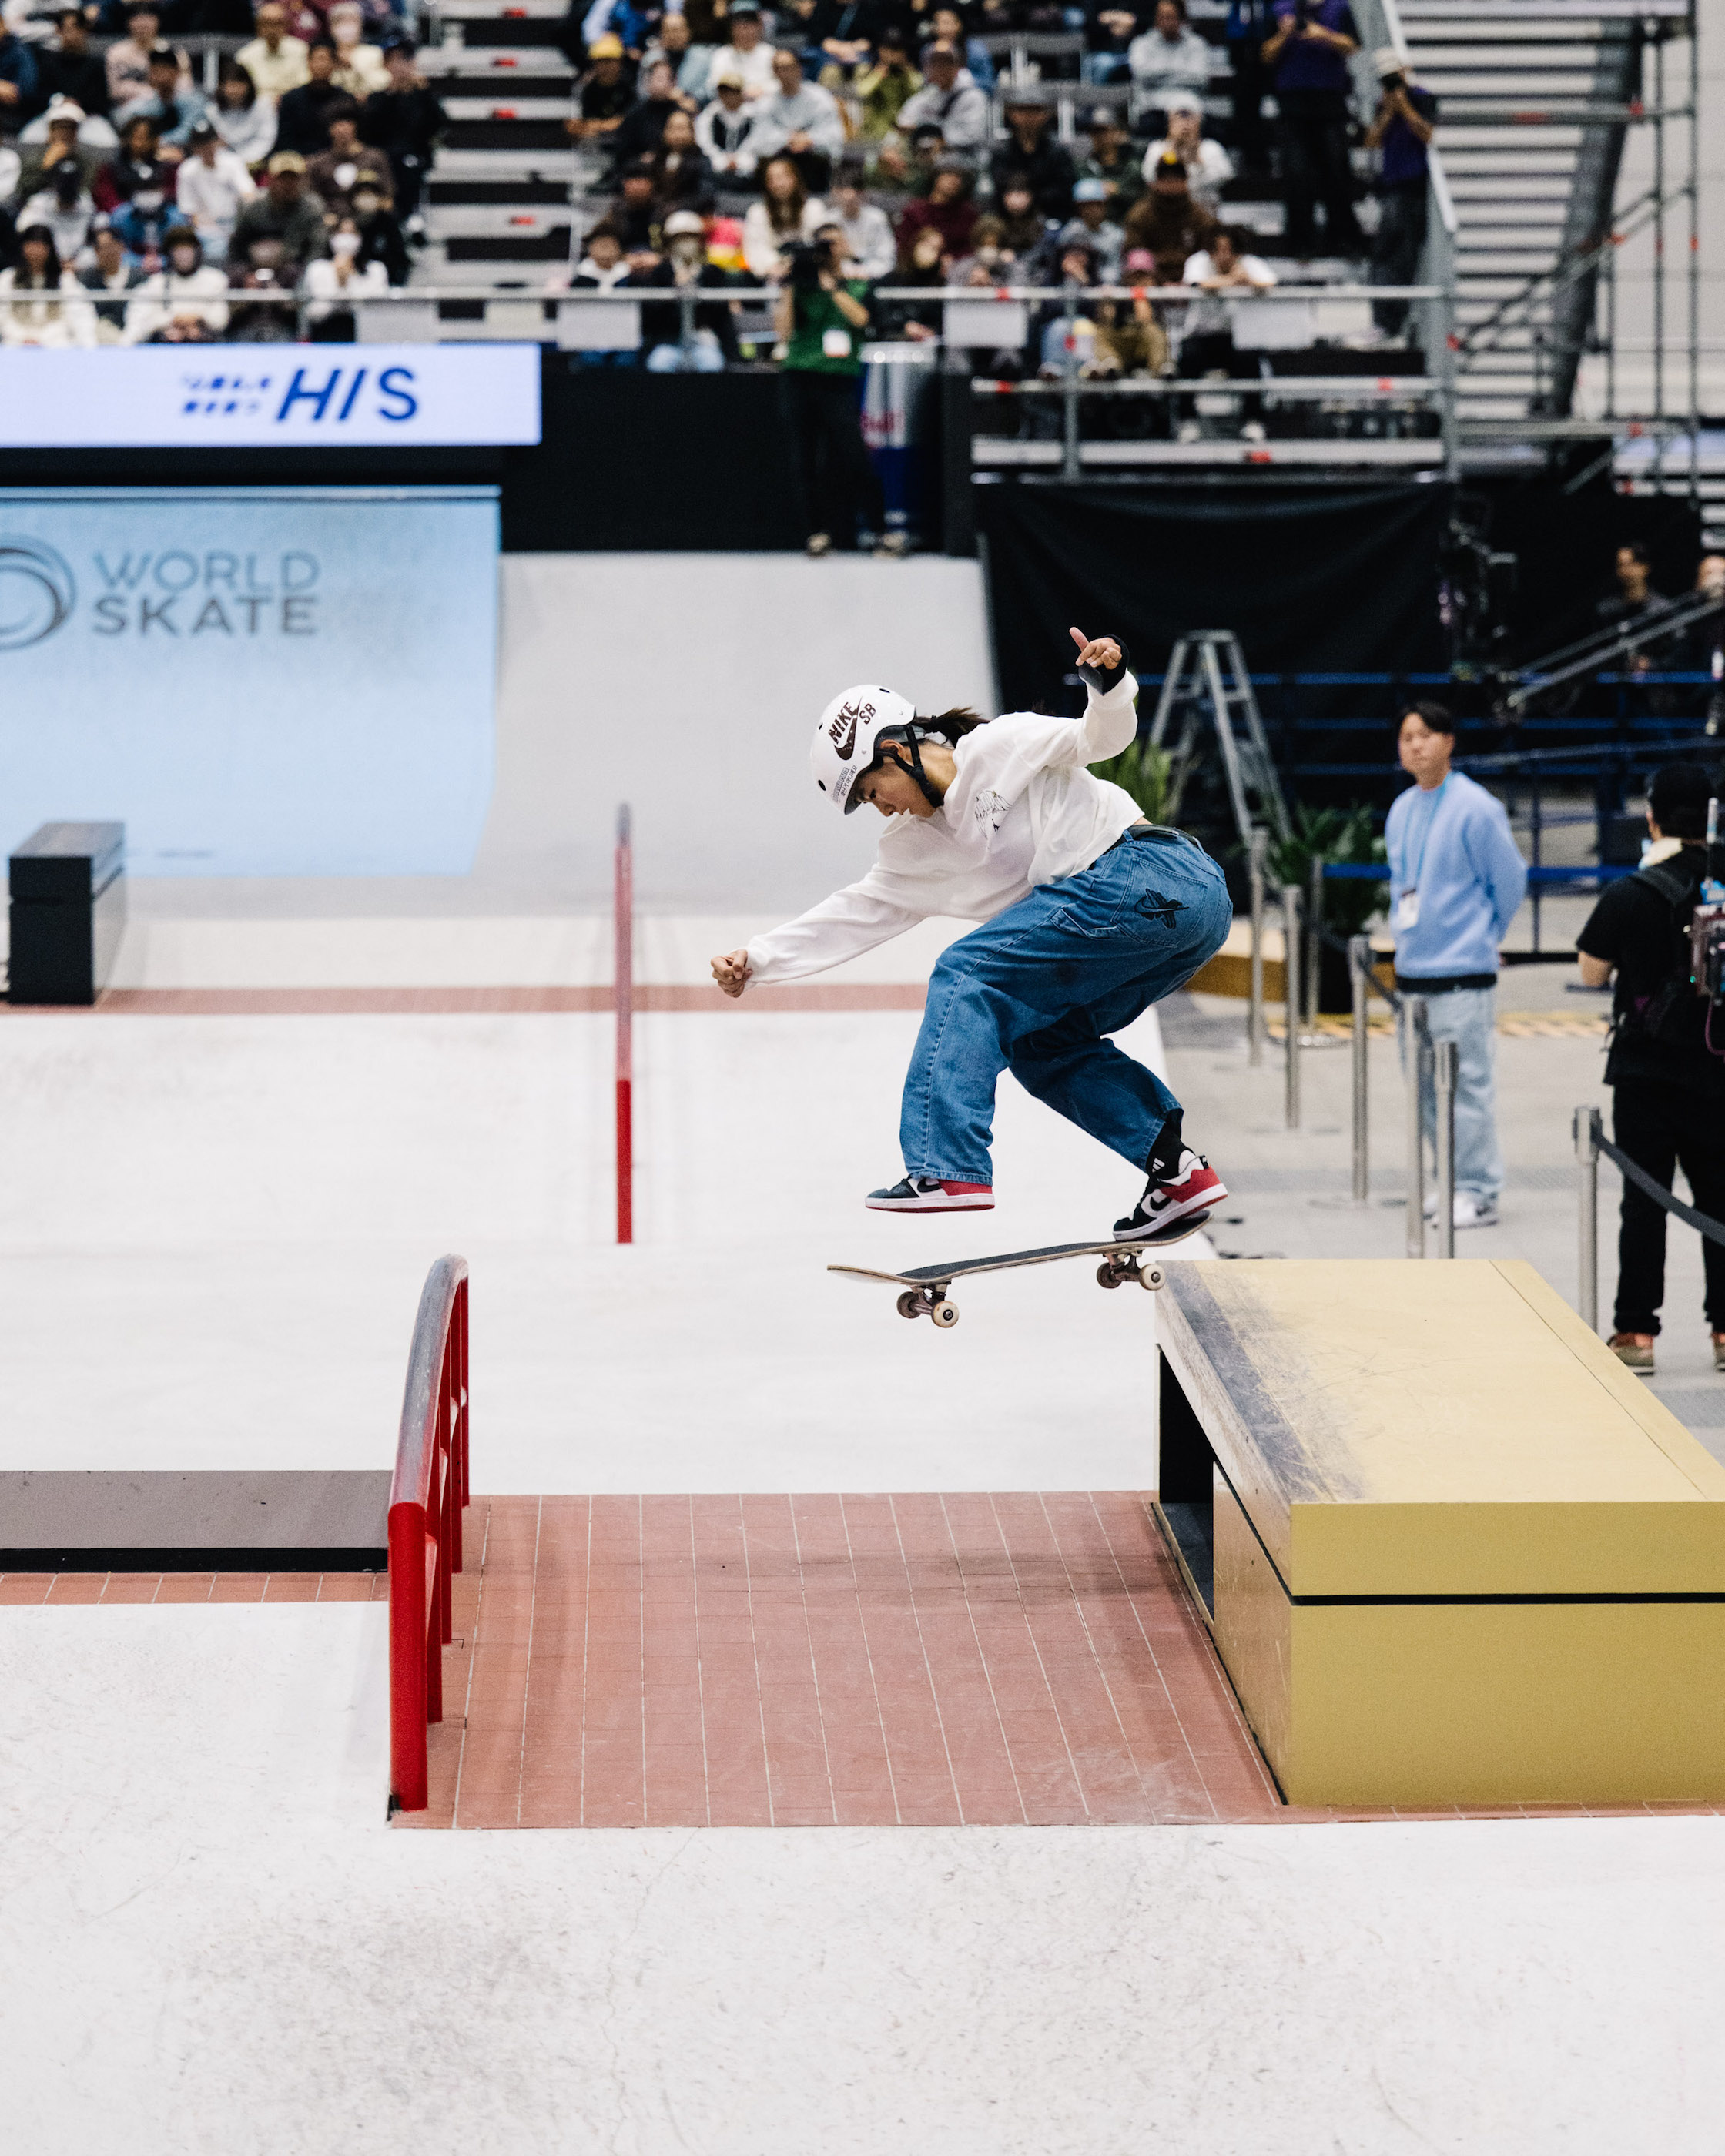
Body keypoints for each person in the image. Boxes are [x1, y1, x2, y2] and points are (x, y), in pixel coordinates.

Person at [709, 631, 1233, 1234]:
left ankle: (947, 1169)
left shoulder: (999, 744)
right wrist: (758, 959)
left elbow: (1102, 738)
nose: (883, 810)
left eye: (875, 793)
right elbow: (858, 911)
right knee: (1041, 1044)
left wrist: (1108, 686)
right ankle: (1176, 1173)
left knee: (967, 971)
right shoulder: (914, 849)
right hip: (1160, 921)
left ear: (898, 751)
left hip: (1155, 873)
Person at [1576, 762, 1725, 1375]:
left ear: (1653, 816)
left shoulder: (1631, 893)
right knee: (1719, 1198)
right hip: (1717, 1069)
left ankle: (1636, 1332)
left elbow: (1590, 971)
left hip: (1643, 1074)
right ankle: (1724, 1334)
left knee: (1644, 1203)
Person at [1385, 701, 1527, 1230]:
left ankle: (1479, 1188)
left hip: (1463, 973)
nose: (1415, 745)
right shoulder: (1402, 809)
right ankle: (1449, 1181)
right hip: (1414, 973)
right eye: (1406, 737)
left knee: (1468, 1086)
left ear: (1449, 742)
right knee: (1424, 1088)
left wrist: (1486, 937)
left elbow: (1509, 880)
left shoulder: (1476, 807)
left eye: (1425, 735)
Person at [775, 223, 889, 556]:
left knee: (855, 455)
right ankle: (815, 532)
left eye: (833, 245)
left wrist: (833, 288)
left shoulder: (856, 284)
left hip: (838, 379)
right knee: (804, 458)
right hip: (799, 376)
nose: (828, 252)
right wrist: (788, 287)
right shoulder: (802, 287)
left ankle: (879, 530)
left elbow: (861, 320)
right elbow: (783, 334)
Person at [1261, 0, 1362, 257]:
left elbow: (1352, 46)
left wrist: (1324, 36)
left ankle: (1343, 238)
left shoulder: (1339, 8)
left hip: (1330, 102)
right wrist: (1284, 34)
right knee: (1296, 175)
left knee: (1337, 171)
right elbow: (1265, 54)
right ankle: (1300, 242)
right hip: (1293, 105)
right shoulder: (1280, 9)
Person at [1177, 223, 1274, 440]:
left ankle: (1253, 421)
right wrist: (1232, 281)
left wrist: (1247, 280)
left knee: (1251, 358)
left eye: (1229, 249)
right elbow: (1197, 284)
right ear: (1210, 251)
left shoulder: (1249, 264)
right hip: (1202, 336)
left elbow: (1270, 283)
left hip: (1237, 338)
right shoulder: (1198, 261)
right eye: (1218, 249)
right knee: (1188, 358)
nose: (1224, 256)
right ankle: (1187, 422)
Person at [1365, 47, 1434, 339]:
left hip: (1413, 186)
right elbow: (1371, 141)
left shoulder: (1422, 99)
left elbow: (1427, 133)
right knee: (1385, 255)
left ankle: (1395, 320)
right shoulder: (1384, 106)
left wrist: (1404, 106)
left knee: (1401, 256)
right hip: (1391, 186)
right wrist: (1389, 111)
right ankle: (1385, 317)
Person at [634, 206, 737, 370]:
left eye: (691, 238)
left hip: (704, 341)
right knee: (659, 364)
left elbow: (720, 314)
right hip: (669, 341)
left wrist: (697, 288)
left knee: (712, 364)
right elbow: (652, 314)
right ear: (670, 242)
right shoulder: (661, 272)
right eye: (680, 239)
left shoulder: (713, 273)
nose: (686, 244)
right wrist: (674, 287)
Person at [360, 41, 444, 226]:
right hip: (383, 157)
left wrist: (424, 91)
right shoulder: (377, 98)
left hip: (413, 157)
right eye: (395, 60)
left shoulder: (423, 97)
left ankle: (410, 217)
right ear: (386, 65)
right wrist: (392, 92)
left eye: (405, 60)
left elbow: (438, 124)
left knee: (408, 163)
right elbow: (370, 128)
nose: (400, 66)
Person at [750, 46, 846, 190]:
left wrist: (809, 139)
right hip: (779, 159)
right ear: (774, 72)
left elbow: (835, 136)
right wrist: (787, 139)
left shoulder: (820, 98)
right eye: (779, 68)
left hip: (813, 161)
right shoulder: (766, 103)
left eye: (789, 67)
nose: (784, 73)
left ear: (799, 68)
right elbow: (758, 141)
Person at [1122, 149, 1214, 283]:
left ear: (1186, 181)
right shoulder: (1140, 215)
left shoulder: (1200, 217)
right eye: (1166, 178)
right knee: (1138, 260)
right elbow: (1134, 252)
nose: (1171, 183)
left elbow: (1208, 252)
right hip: (1152, 281)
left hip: (1192, 281)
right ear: (1156, 182)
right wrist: (1162, 281)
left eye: (1177, 177)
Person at [226, 149, 327, 270]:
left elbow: (318, 248)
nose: (288, 184)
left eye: (294, 178)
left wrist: (301, 271)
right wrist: (247, 271)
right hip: (255, 267)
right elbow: (237, 246)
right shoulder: (253, 207)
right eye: (282, 178)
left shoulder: (312, 208)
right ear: (270, 180)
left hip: (296, 270)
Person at [126, 223, 229, 340]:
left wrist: (196, 320)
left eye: (187, 250)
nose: (183, 256)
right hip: (168, 344)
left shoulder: (215, 279)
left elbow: (220, 319)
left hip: (204, 342)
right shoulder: (157, 282)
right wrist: (173, 321)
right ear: (169, 254)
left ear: (197, 251)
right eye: (178, 250)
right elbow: (146, 321)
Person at [0, 225, 96, 346]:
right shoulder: (7, 278)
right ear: (23, 248)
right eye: (31, 245)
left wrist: (43, 338)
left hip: (55, 342)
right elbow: (3, 316)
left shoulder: (65, 280)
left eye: (40, 246)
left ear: (49, 249)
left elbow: (74, 315)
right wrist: (21, 336)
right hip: (15, 341)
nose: (36, 251)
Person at [94, 116, 177, 256]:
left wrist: (157, 204)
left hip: (159, 215)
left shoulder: (165, 166)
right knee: (114, 217)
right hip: (126, 219)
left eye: (146, 138)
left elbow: (173, 191)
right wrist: (132, 210)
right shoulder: (112, 167)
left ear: (155, 140)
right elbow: (104, 196)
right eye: (138, 137)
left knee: (177, 217)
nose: (141, 143)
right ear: (127, 139)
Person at [989, 91, 1075, 222]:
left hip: (1051, 215)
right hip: (1008, 215)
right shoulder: (1001, 152)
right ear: (1011, 114)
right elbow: (999, 183)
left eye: (1035, 111)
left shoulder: (1058, 152)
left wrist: (1032, 197)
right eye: (1022, 111)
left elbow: (1065, 186)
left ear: (1046, 115)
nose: (1029, 117)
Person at [301, 207, 387, 336]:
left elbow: (377, 310)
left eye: (352, 233)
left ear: (360, 237)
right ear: (332, 237)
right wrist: (340, 285)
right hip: (324, 335)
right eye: (341, 232)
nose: (346, 239)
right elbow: (314, 312)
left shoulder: (376, 270)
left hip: (366, 337)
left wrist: (348, 282)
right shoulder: (317, 268)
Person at [174, 121, 256, 256]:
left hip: (236, 225)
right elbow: (188, 211)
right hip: (206, 231)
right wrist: (212, 232)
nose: (207, 148)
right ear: (194, 147)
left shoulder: (232, 162)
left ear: (217, 141)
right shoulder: (187, 170)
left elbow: (249, 194)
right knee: (213, 247)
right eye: (201, 144)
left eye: (210, 142)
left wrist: (241, 225)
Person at [1143, 89, 1232, 213]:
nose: (1184, 125)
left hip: (1204, 213)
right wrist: (1171, 154)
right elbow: (1149, 177)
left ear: (1200, 121)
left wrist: (1198, 161)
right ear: (1169, 122)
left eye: (1189, 118)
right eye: (1179, 118)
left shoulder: (1211, 148)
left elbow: (1225, 176)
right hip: (1167, 213)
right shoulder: (1157, 148)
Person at [894, 40, 989, 155]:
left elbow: (972, 136)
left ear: (958, 67)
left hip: (962, 159)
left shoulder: (974, 97)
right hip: (926, 158)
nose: (940, 69)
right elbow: (904, 121)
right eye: (934, 63)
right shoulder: (925, 96)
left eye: (946, 63)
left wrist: (939, 141)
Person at [1128, 0, 1211, 127]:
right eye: (1162, 17)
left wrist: (1159, 75)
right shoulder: (1141, 44)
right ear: (1156, 19)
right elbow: (1142, 75)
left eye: (1170, 17)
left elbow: (1200, 79)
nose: (1166, 22)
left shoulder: (1197, 44)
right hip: (1153, 108)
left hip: (1188, 107)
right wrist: (1181, 71)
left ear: (1181, 19)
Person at [115, 45, 214, 150]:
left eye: (163, 68)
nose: (158, 73)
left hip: (189, 155)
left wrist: (158, 142)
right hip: (155, 157)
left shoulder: (194, 102)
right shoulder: (146, 105)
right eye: (154, 68)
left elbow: (189, 134)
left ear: (176, 72)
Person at [742, 153, 826, 277]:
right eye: (771, 180)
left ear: (795, 178)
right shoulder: (757, 213)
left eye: (782, 178)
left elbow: (818, 246)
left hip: (809, 275)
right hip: (770, 276)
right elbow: (754, 250)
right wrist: (773, 264)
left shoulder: (813, 208)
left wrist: (795, 262)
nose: (777, 184)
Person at [306, 101, 393, 216]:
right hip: (329, 223)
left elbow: (388, 200)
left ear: (355, 126)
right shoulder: (317, 163)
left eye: (347, 123)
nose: (342, 129)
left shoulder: (375, 158)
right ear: (329, 129)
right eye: (337, 124)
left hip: (368, 222)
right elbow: (310, 201)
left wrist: (369, 207)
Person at [78, 215, 147, 340]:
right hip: (97, 340)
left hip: (131, 341)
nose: (106, 253)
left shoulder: (138, 278)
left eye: (110, 247)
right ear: (95, 252)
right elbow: (83, 318)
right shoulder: (85, 280)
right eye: (101, 249)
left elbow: (140, 318)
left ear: (121, 247)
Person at [36, 11, 112, 122]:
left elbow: (101, 101)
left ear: (85, 30)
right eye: (66, 29)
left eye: (76, 28)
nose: (71, 33)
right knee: (30, 137)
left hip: (89, 117)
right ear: (58, 30)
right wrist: (59, 100)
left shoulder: (96, 63)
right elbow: (37, 96)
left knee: (105, 139)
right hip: (53, 115)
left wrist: (77, 103)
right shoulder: (47, 61)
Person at [895, 156, 975, 259]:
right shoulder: (915, 211)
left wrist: (954, 259)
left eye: (959, 177)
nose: (955, 181)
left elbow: (970, 248)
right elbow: (903, 245)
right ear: (936, 177)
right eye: (949, 174)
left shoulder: (968, 214)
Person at [274, 41, 345, 158]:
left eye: (326, 59)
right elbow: (285, 139)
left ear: (335, 64)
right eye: (317, 59)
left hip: (335, 161)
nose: (321, 65)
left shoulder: (345, 99)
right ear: (308, 62)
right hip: (298, 161)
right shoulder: (291, 99)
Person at [19, 158, 93, 266]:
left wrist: (77, 263)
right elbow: (23, 234)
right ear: (55, 184)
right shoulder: (38, 204)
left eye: (71, 183)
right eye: (64, 183)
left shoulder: (88, 208)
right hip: (44, 265)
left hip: (77, 267)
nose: (67, 188)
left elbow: (97, 243)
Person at [1075, 109, 1144, 223]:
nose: (1098, 137)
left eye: (1103, 131)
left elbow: (1139, 194)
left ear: (1116, 132)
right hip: (1096, 225)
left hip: (1128, 222)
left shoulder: (1132, 165)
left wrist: (1117, 191)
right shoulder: (1085, 165)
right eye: (1094, 132)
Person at [828, 161, 895, 279]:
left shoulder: (877, 218)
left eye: (855, 190)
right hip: (837, 277)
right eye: (843, 190)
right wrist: (845, 270)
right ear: (835, 192)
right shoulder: (828, 220)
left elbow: (887, 259)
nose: (849, 196)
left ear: (863, 193)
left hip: (872, 278)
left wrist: (865, 271)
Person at [695, 68, 761, 183]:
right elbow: (704, 141)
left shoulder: (753, 115)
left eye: (733, 92)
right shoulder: (710, 114)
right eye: (725, 92)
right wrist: (722, 159)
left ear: (741, 93)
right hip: (716, 164)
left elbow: (756, 140)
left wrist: (739, 159)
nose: (729, 96)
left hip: (747, 165)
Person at [568, 33, 634, 146]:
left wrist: (602, 125)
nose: (605, 66)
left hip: (623, 143)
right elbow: (579, 123)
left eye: (610, 60)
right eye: (601, 61)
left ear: (619, 62)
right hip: (593, 143)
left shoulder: (629, 87)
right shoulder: (586, 89)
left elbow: (630, 120)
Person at [854, 30, 920, 143]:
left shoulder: (908, 74)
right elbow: (861, 93)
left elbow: (919, 93)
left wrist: (906, 70)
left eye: (897, 49)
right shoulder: (869, 70)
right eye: (888, 48)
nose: (892, 54)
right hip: (875, 132)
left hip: (901, 132)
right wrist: (878, 74)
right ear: (880, 50)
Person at [236, 3, 312, 100]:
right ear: (258, 26)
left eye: (277, 24)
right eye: (266, 24)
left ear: (286, 25)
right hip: (257, 107)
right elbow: (243, 91)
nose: (272, 29)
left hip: (292, 106)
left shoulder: (301, 50)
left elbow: (306, 86)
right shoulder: (245, 55)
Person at [213, 60, 278, 169]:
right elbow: (213, 146)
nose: (234, 90)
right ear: (221, 87)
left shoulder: (264, 106)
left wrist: (246, 160)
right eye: (230, 85)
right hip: (223, 165)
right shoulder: (212, 111)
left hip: (256, 162)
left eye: (239, 84)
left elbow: (266, 139)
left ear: (249, 85)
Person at [1060, 176, 1123, 280]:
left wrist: (1106, 284)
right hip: (1074, 289)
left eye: (1097, 205)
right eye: (1086, 206)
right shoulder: (1070, 233)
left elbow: (1115, 265)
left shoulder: (1114, 234)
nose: (1093, 210)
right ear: (1079, 208)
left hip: (1106, 291)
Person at [649, 108, 715, 209]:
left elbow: (706, 195)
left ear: (692, 131)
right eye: (672, 128)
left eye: (681, 128)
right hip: (658, 210)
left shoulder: (702, 160)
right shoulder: (657, 158)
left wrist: (678, 206)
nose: (677, 134)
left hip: (689, 212)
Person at [712, 5, 779, 103]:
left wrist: (763, 91)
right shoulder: (722, 54)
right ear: (732, 30)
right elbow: (714, 84)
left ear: (759, 27)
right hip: (732, 104)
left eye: (748, 27)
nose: (744, 32)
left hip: (765, 102)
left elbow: (779, 83)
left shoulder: (770, 52)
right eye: (739, 28)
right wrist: (739, 94)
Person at [104, 3, 163, 109]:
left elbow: (184, 87)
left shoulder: (169, 51)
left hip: (164, 105)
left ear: (157, 22)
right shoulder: (116, 53)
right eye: (138, 19)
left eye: (148, 19)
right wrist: (149, 93)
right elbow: (114, 90)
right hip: (127, 107)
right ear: (129, 23)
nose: (143, 24)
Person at [328, 5, 390, 101]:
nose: (346, 26)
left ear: (360, 26)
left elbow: (384, 81)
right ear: (331, 27)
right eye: (340, 21)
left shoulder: (374, 53)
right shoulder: (326, 55)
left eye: (352, 21)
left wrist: (354, 67)